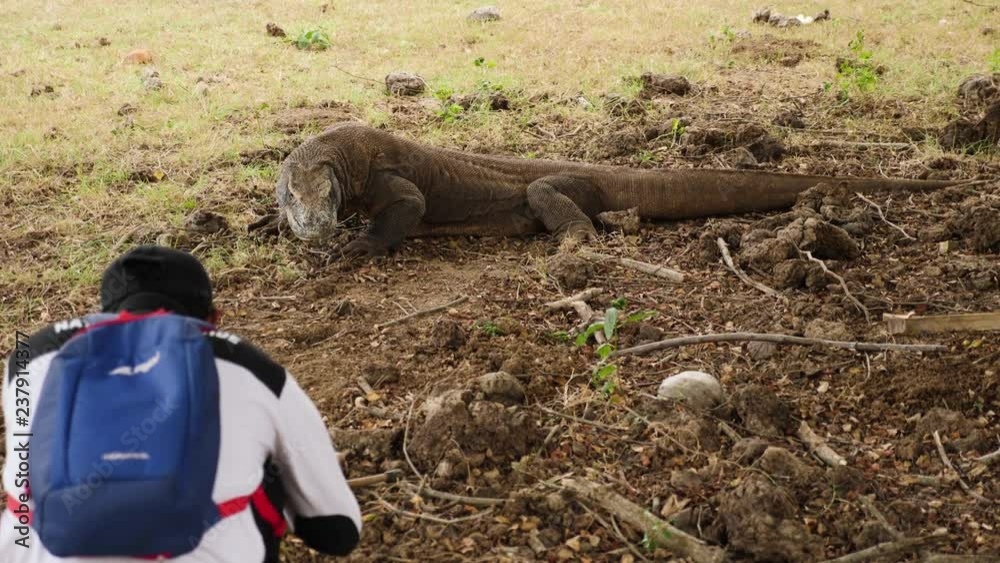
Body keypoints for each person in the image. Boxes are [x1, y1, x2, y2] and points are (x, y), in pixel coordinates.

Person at [1, 245, 361, 562]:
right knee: (267, 468)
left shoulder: (28, 361)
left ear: (106, 314)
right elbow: (338, 531)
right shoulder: (254, 370)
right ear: (214, 321)